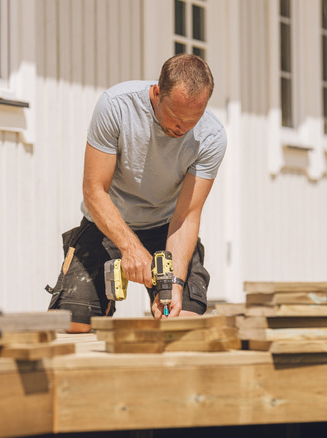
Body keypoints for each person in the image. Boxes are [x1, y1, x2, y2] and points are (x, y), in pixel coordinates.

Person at [46, 54, 227, 333]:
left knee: (180, 322)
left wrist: (176, 283)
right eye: (177, 117)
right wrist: (130, 248)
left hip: (166, 228)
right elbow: (94, 191)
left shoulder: (212, 136)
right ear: (157, 93)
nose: (184, 128)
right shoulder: (116, 106)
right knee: (74, 324)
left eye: (194, 119)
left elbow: (187, 216)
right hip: (106, 224)